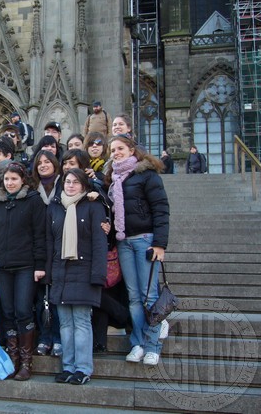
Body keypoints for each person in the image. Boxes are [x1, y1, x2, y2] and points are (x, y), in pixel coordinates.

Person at [105, 135, 169, 366]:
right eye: (112, 150)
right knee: (133, 297)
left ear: (132, 150)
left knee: (149, 295)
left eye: (120, 148)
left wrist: (160, 244)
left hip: (145, 240)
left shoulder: (146, 174)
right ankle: (138, 343)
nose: (116, 153)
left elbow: (161, 209)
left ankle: (153, 346)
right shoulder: (113, 179)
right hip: (124, 242)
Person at [0, 162, 46, 381]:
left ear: (23, 180)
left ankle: (26, 362)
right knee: (8, 313)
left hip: (25, 266)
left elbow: (40, 234)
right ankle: (12, 359)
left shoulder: (33, 200)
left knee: (23, 311)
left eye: (14, 179)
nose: (10, 183)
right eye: (7, 179)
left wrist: (40, 265)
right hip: (2, 267)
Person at [47, 169, 108, 385]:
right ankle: (68, 366)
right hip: (61, 272)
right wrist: (49, 273)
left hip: (84, 270)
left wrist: (98, 275)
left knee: (81, 322)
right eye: (67, 181)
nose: (71, 185)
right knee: (64, 323)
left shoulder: (93, 206)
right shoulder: (55, 208)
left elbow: (100, 244)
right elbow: (50, 243)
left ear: (84, 185)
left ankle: (82, 368)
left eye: (75, 182)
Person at [31, 150, 62, 358]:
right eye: (39, 162)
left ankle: (58, 339)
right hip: (38, 248)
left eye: (47, 161)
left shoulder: (63, 185)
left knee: (58, 298)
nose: (43, 165)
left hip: (60, 249)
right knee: (41, 299)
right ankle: (44, 337)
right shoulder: (33, 189)